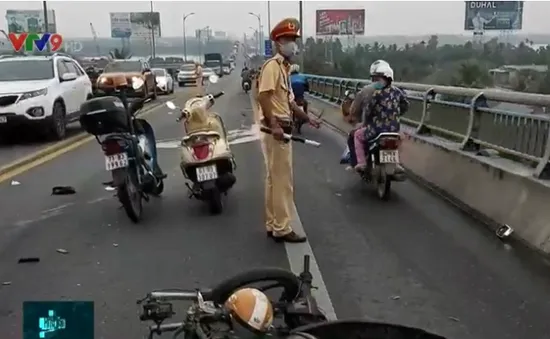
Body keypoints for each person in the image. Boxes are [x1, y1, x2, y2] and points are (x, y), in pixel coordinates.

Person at [257, 17, 320, 243]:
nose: (292, 44)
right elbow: (263, 95)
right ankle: (283, 228)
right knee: (283, 181)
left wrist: (307, 118)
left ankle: (274, 224)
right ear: (277, 42)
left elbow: (290, 102)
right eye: (287, 39)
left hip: (283, 128)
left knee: (274, 179)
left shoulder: (284, 69)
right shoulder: (272, 67)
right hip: (277, 131)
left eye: (293, 39)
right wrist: (273, 124)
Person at [351, 61, 409, 171]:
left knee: (358, 135)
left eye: (378, 79)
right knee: (399, 139)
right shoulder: (398, 92)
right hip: (394, 129)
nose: (376, 82)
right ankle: (396, 164)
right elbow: (406, 105)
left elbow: (368, 110)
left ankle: (362, 163)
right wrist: (395, 113)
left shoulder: (376, 93)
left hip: (377, 129)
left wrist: (364, 122)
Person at [289, 64, 309, 134]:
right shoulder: (303, 77)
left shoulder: (288, 77)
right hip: (300, 97)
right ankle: (305, 115)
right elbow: (307, 88)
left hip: (292, 97)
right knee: (305, 104)